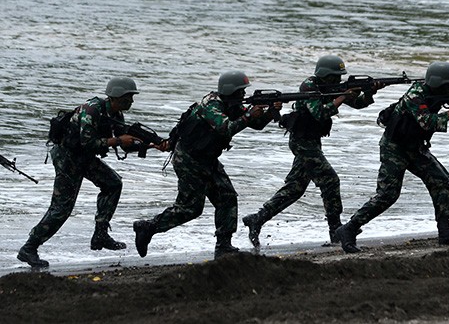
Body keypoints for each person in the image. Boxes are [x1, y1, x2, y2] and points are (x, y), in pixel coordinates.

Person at [335, 61, 449, 253]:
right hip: (394, 147)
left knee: (439, 179)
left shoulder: (441, 92)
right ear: (438, 83)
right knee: (388, 195)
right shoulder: (416, 94)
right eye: (448, 84)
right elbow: (427, 123)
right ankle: (349, 229)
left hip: (415, 147)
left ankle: (445, 232)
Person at [18, 77, 166, 268]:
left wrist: (151, 144)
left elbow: (125, 145)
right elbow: (88, 142)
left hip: (83, 157)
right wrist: (119, 140)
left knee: (113, 184)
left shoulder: (115, 114)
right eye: (128, 97)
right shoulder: (92, 110)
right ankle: (29, 248)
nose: (131, 101)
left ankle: (100, 234)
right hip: (67, 156)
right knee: (62, 208)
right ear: (116, 96)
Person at [132, 70, 279, 259]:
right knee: (190, 208)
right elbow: (226, 129)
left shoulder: (231, 104)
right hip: (189, 159)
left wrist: (269, 112)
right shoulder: (211, 105)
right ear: (230, 91)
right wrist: (249, 116)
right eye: (240, 91)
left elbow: (256, 125)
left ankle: (224, 245)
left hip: (207, 158)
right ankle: (148, 227)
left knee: (226, 197)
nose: (243, 95)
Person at [242, 55, 379, 248]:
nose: (338, 81)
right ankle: (336, 231)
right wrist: (342, 96)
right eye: (335, 77)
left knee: (294, 189)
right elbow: (320, 113)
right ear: (324, 75)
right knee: (330, 181)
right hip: (302, 141)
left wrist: (370, 92)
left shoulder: (331, 88)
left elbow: (359, 104)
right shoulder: (309, 87)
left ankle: (257, 219)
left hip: (312, 141)